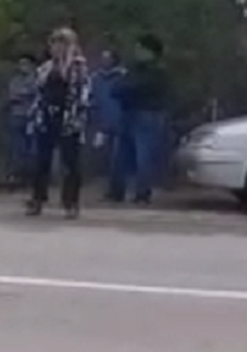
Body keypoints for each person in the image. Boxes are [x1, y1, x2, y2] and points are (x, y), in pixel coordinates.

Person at [24, 27, 91, 218]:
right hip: (46, 118)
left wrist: (76, 118)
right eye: (53, 43)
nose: (55, 47)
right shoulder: (45, 68)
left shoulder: (77, 67)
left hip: (69, 119)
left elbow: (82, 95)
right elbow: (39, 94)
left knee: (70, 163)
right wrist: (35, 116)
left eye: (60, 43)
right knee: (41, 161)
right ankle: (37, 199)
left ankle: (71, 202)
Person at [108, 35, 170, 204]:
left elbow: (138, 87)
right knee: (119, 154)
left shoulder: (157, 71)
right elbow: (115, 88)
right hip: (128, 113)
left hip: (147, 115)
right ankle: (116, 192)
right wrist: (126, 87)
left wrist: (127, 88)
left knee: (144, 155)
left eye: (140, 48)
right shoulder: (133, 69)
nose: (136, 52)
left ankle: (142, 193)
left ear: (150, 52)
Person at [87, 48, 127, 196]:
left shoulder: (123, 76)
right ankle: (110, 188)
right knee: (105, 158)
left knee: (118, 158)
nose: (104, 61)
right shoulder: (95, 78)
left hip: (120, 121)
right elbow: (91, 98)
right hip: (102, 123)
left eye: (108, 58)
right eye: (103, 58)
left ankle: (118, 190)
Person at [4, 53, 39, 184]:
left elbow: (35, 93)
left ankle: (34, 176)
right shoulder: (15, 80)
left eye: (25, 64)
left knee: (34, 148)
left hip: (32, 117)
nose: (22, 66)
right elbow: (12, 95)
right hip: (17, 116)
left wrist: (23, 95)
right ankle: (17, 175)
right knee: (17, 148)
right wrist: (25, 95)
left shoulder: (38, 78)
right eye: (20, 64)